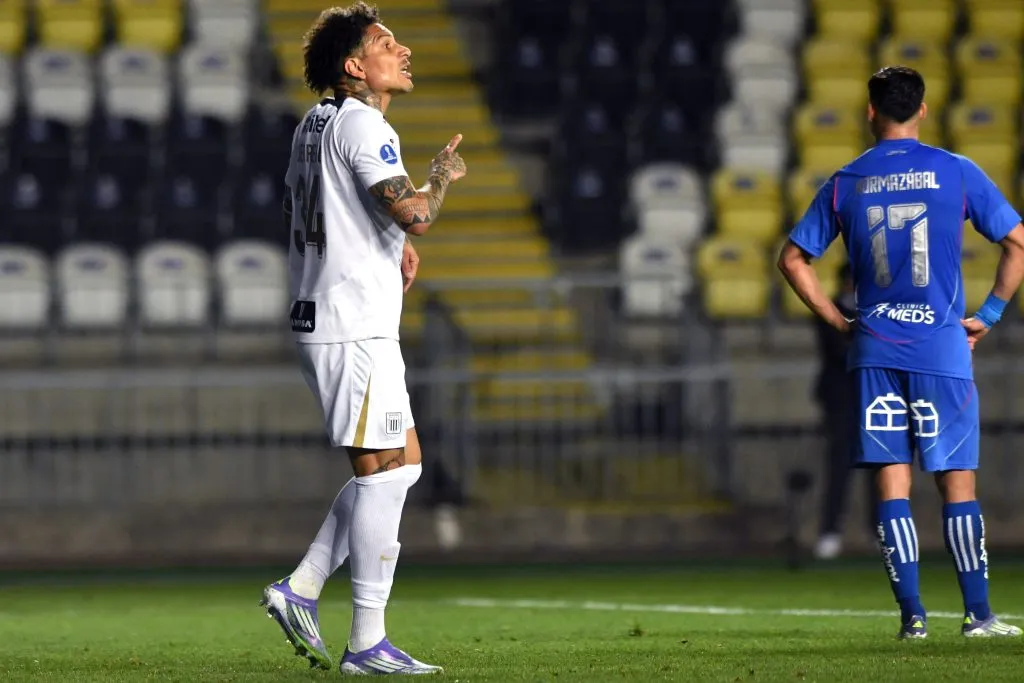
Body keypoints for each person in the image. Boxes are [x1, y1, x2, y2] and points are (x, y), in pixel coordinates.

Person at [778, 65, 1024, 639]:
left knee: (893, 484)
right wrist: (988, 314)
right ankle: (977, 615)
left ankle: (913, 618)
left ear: (870, 113)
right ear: (924, 110)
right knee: (955, 483)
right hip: (941, 348)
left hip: (874, 351)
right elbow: (1017, 242)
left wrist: (841, 321)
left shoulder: (845, 181)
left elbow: (793, 260)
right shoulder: (956, 171)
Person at [259, 3, 466, 674]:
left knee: (401, 465)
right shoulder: (366, 124)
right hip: (350, 324)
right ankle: (365, 642)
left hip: (337, 316)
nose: (402, 50)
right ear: (356, 67)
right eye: (386, 43)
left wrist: (388, 244)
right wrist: (438, 180)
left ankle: (304, 586)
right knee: (383, 473)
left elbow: (307, 210)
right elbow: (414, 209)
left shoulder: (314, 125)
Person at [812, 263, 878, 560]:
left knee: (878, 468)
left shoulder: (874, 310)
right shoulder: (830, 311)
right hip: (841, 400)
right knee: (838, 468)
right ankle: (830, 532)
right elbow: (842, 351)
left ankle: (879, 532)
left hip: (872, 400)